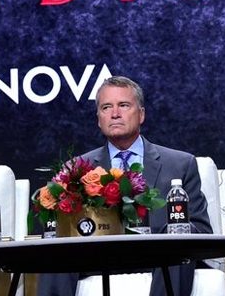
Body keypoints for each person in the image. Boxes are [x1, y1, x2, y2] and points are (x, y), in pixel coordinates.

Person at [38, 76, 212, 296]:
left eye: (123, 105)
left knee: (180, 234)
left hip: (161, 260)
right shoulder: (77, 169)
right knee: (57, 243)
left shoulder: (180, 164)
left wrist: (169, 235)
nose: (115, 113)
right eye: (106, 107)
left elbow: (201, 230)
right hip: (97, 260)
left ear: (141, 114)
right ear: (98, 119)